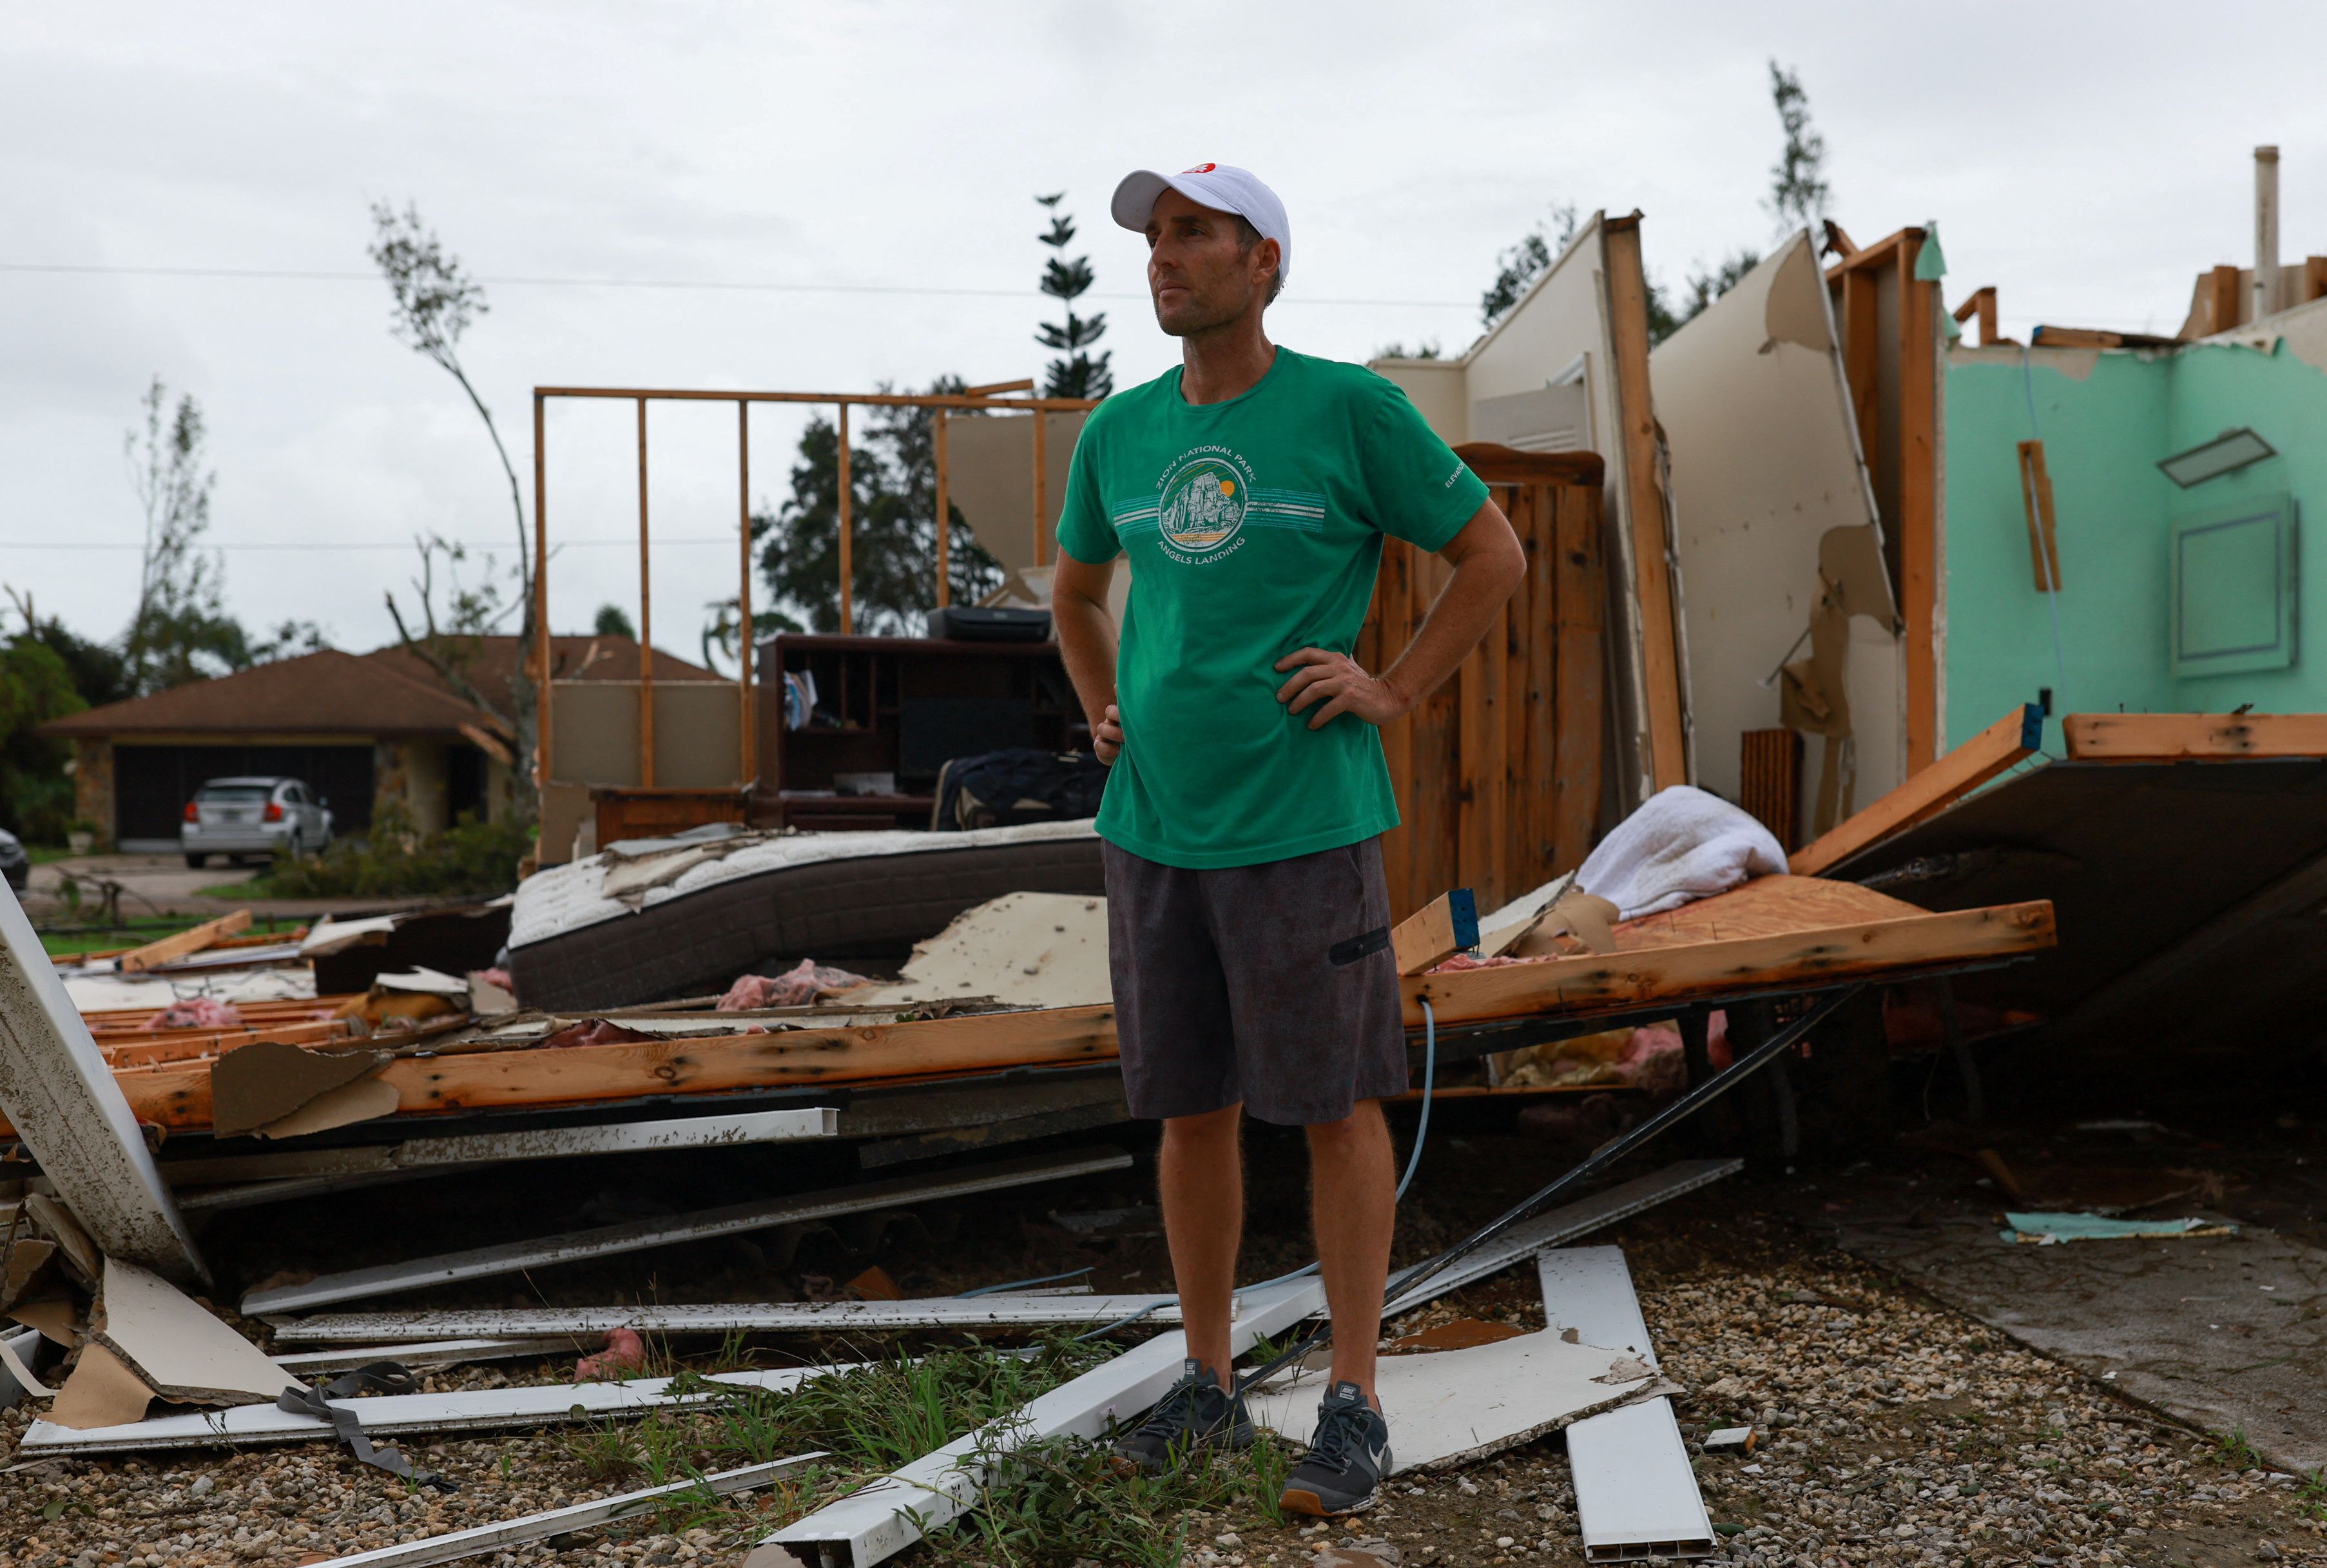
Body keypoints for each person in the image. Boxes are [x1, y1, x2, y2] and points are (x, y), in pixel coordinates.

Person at [1050, 162, 1525, 1516]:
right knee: (1189, 1113)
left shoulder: (1348, 409)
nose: (1164, 256)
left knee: (1331, 1105)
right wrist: (1101, 704)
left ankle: (1356, 1402)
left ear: (1265, 263)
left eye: (1196, 234)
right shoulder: (1119, 434)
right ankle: (1208, 1381)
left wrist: (1395, 687)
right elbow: (1077, 595)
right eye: (1154, 235)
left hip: (1302, 822)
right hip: (1155, 830)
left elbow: (1493, 554)